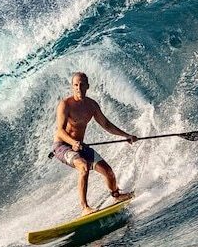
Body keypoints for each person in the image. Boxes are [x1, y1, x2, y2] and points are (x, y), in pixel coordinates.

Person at [51, 72, 137, 216]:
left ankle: (116, 196)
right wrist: (73, 143)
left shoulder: (91, 105)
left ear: (87, 86)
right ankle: (85, 208)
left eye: (82, 84)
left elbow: (107, 125)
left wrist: (127, 136)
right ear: (72, 87)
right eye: (76, 85)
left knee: (108, 172)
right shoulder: (65, 105)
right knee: (83, 166)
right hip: (62, 146)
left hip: (80, 146)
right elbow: (59, 131)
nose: (79, 88)